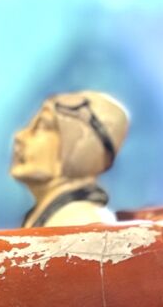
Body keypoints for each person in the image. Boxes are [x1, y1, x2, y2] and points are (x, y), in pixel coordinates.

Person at [10, 90, 130, 227]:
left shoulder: (80, 220)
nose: (20, 136)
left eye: (42, 126)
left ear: (82, 150)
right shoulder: (54, 216)